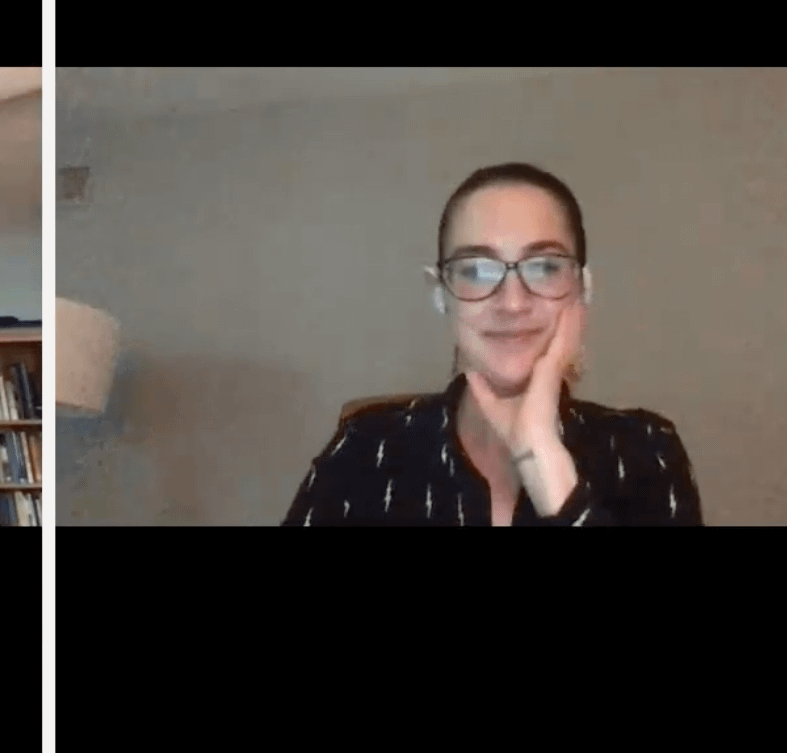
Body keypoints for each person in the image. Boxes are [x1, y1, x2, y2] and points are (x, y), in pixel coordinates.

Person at [281, 163, 702, 526]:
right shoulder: (365, 449)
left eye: (544, 266)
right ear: (440, 293)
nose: (512, 302)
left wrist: (550, 475)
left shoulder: (645, 451)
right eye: (476, 270)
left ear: (582, 288)